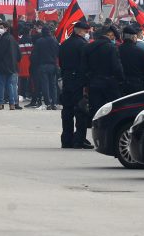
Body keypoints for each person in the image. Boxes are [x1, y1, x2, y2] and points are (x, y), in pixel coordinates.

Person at [83, 24, 124, 127]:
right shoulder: (111, 47)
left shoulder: (88, 47)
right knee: (114, 108)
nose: (113, 38)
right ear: (109, 34)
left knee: (96, 109)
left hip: (94, 83)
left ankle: (97, 127)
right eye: (113, 36)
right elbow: (116, 67)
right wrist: (121, 80)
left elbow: (83, 67)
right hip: (109, 83)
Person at [59, 19, 91, 149]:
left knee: (67, 110)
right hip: (79, 81)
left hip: (67, 79)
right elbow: (85, 64)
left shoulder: (64, 44)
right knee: (80, 111)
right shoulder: (83, 45)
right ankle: (79, 139)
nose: (87, 34)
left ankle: (66, 139)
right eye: (86, 31)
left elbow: (60, 62)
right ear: (80, 31)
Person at [31, 26, 60, 110]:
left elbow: (35, 55)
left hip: (42, 65)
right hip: (53, 65)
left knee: (45, 85)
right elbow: (58, 52)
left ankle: (48, 103)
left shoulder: (39, 42)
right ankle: (54, 103)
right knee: (53, 85)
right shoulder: (54, 41)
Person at [119, 25, 144, 96]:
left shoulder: (117, 50)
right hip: (137, 85)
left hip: (121, 85)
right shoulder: (140, 52)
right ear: (134, 37)